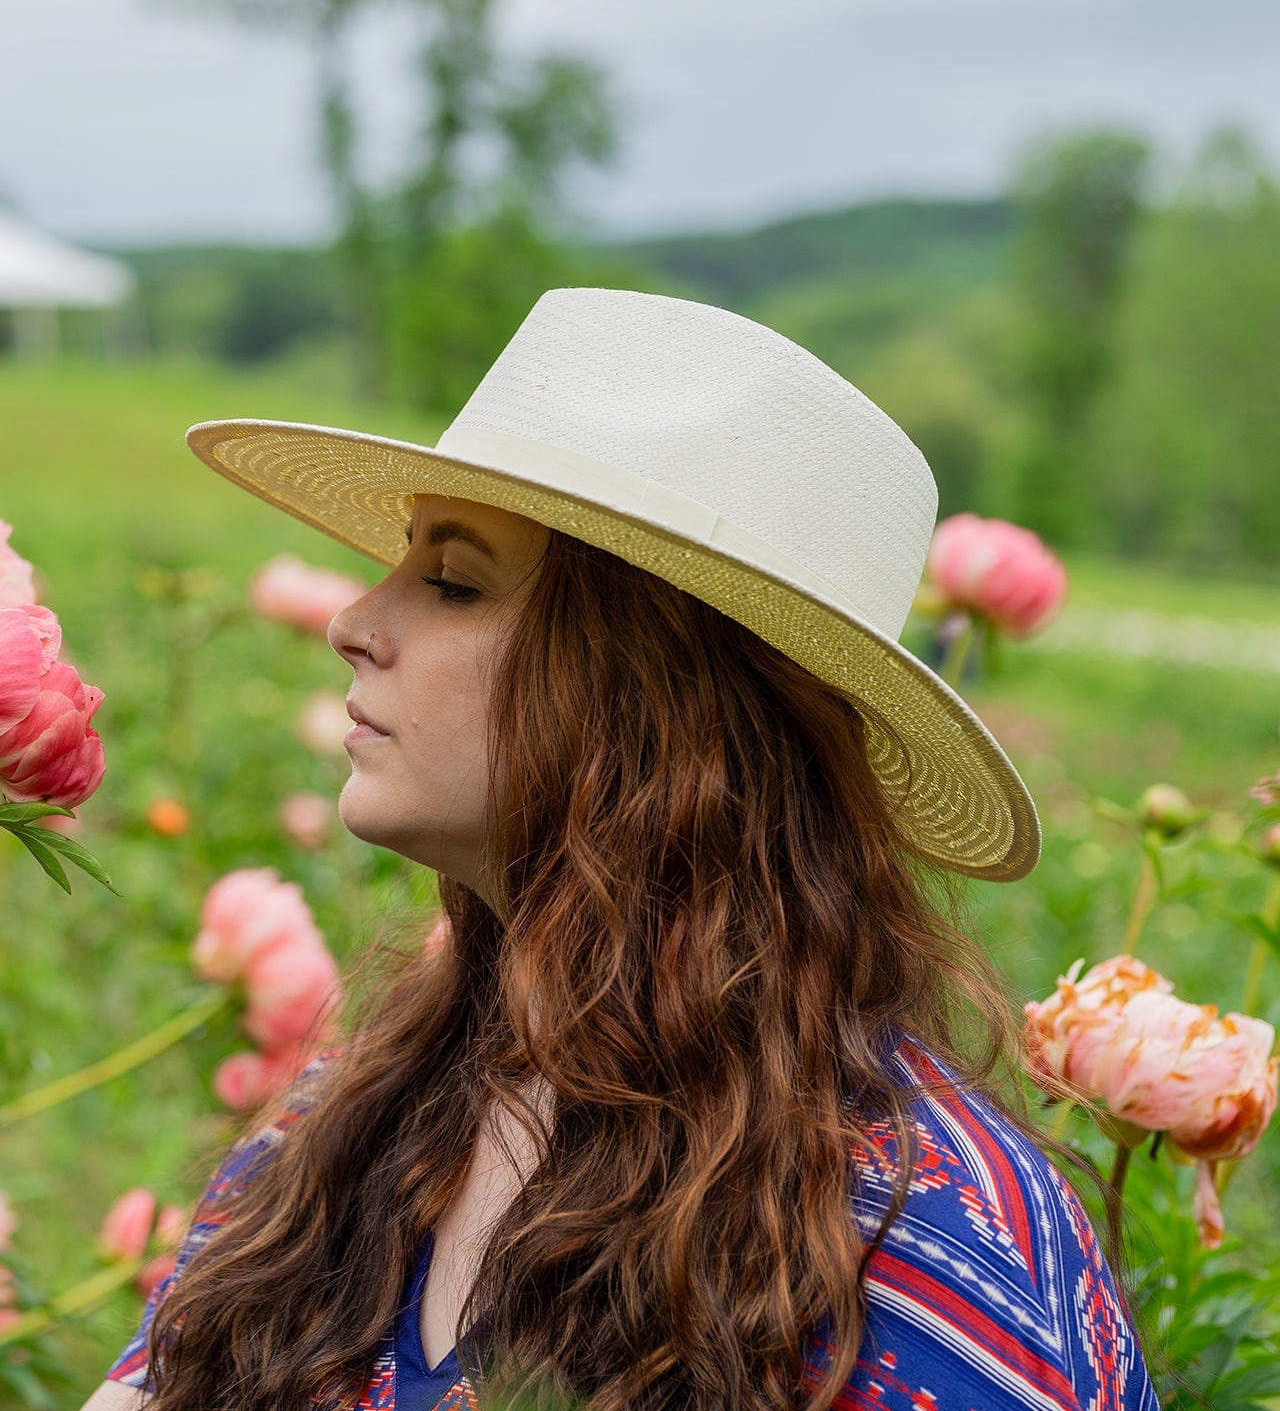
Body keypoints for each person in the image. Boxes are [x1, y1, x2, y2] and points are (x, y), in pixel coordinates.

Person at [84, 288, 1159, 1411]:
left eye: (451, 578)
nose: (353, 619)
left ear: (652, 698)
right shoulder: (352, 1124)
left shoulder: (918, 1255)